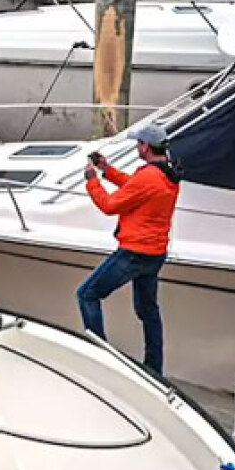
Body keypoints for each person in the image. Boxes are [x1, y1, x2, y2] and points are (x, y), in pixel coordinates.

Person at [76, 120, 182, 376]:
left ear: (145, 147)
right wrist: (107, 170)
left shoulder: (148, 176)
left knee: (87, 294)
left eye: (138, 143)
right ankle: (154, 367)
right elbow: (133, 186)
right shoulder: (167, 173)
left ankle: (100, 354)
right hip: (155, 253)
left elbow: (109, 206)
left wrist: (92, 181)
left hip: (134, 253)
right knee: (148, 311)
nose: (137, 147)